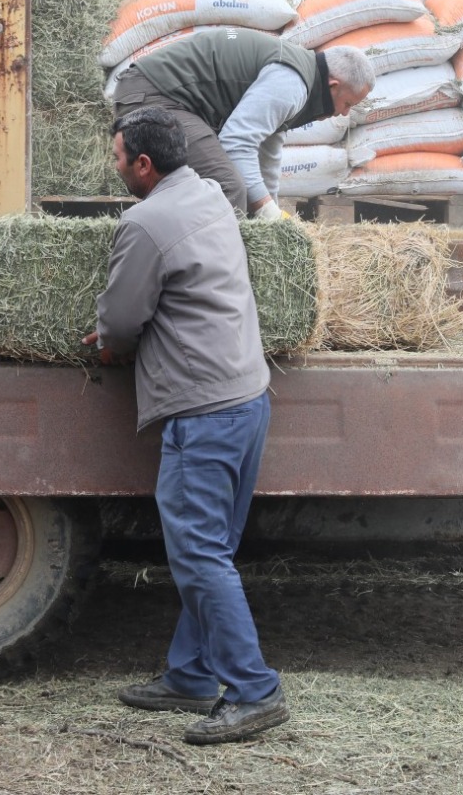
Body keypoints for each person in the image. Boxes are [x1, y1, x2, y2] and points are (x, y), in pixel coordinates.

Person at [82, 106, 288, 746]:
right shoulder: (208, 193)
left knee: (198, 553)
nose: (115, 166)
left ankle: (254, 691)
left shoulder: (145, 222)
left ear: (144, 165)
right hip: (247, 395)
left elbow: (121, 322)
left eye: (119, 157)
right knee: (211, 550)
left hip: (205, 412)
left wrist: (109, 341)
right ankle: (193, 674)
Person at [111, 27, 374, 216]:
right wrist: (264, 208)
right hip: (153, 97)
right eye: (348, 104)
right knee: (230, 188)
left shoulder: (299, 76)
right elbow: (236, 143)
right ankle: (210, 274)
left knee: (247, 195)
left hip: (164, 98)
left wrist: (271, 210)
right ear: (333, 85)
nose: (344, 114)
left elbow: (267, 153)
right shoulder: (292, 84)